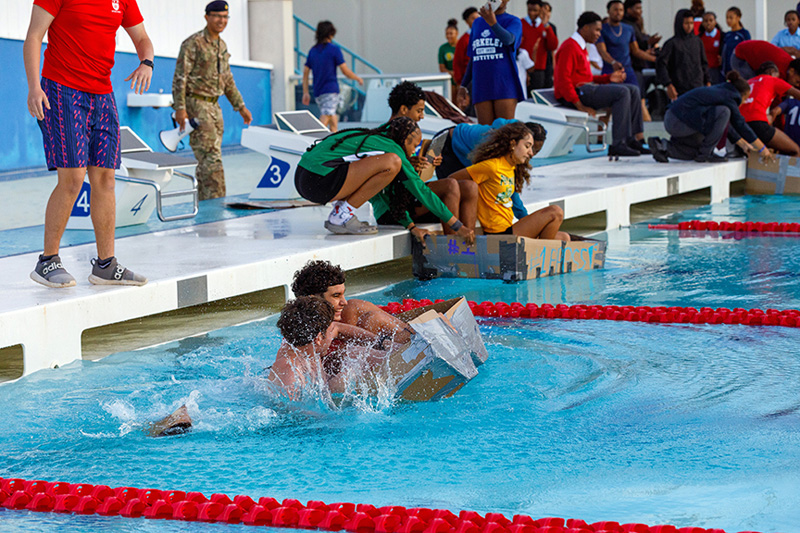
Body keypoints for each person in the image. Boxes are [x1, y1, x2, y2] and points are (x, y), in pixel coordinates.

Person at [24, 0, 153, 288]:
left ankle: (106, 265)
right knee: (72, 179)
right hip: (62, 89)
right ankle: (48, 261)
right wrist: (34, 87)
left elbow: (142, 38)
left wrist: (147, 62)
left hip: (102, 94)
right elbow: (33, 36)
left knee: (106, 178)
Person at [297, 117, 475, 243]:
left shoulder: (374, 139)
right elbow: (421, 190)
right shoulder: (392, 150)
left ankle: (342, 212)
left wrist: (411, 227)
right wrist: (457, 226)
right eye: (414, 146)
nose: (414, 151)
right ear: (405, 139)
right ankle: (341, 216)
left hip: (305, 177)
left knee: (392, 163)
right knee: (393, 162)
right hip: (317, 180)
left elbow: (375, 190)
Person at [172, 2, 252, 202]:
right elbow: (180, 77)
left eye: (225, 17)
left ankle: (207, 202)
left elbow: (227, 80)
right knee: (211, 158)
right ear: (206, 17)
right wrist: (180, 108)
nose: (221, 21)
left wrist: (240, 106)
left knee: (210, 159)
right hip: (197, 105)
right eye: (217, 16)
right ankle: (216, 204)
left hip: (215, 107)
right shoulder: (193, 43)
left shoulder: (221, 46)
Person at [448, 122, 568, 241]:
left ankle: (538, 250)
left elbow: (515, 201)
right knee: (555, 212)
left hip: (509, 228)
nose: (531, 153)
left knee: (564, 237)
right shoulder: (491, 166)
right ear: (513, 144)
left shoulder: (511, 168)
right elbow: (451, 181)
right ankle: (539, 252)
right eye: (527, 146)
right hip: (497, 234)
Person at [553, 11, 646, 158]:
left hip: (584, 90)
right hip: (576, 95)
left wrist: (608, 78)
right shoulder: (570, 46)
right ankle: (618, 144)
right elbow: (562, 80)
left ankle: (632, 139)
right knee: (622, 92)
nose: (598, 34)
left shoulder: (581, 47)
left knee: (633, 89)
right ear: (585, 28)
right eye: (596, 30)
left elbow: (586, 78)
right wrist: (580, 105)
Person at [268, 296, 388, 400]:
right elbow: (294, 414)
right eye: (330, 334)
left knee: (354, 355)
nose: (333, 335)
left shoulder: (304, 345)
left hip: (321, 394)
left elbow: (337, 328)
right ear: (319, 338)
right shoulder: (290, 372)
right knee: (346, 376)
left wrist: (381, 342)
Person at [647, 71, 772, 163]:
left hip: (674, 119)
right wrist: (762, 148)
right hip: (678, 121)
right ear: (741, 94)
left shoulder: (722, 91)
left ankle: (661, 146)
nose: (743, 103)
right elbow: (740, 124)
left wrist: (743, 144)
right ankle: (706, 153)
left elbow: (725, 124)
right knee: (724, 112)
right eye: (745, 99)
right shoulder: (730, 96)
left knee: (696, 152)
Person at [436, 119, 546, 219]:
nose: (532, 154)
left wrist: (525, 218)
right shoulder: (496, 147)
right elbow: (508, 186)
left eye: (536, 151)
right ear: (516, 142)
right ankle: (451, 232)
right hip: (448, 144)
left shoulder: (516, 149)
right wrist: (525, 218)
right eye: (528, 147)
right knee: (453, 195)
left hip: (468, 152)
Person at [291, 260, 413, 346]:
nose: (344, 302)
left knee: (361, 311)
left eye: (343, 294)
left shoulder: (348, 312)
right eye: (336, 296)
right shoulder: (298, 331)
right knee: (370, 319)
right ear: (314, 299)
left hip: (391, 337)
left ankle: (411, 337)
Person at [458, 0, 525, 124]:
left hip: (504, 84)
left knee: (504, 130)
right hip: (481, 84)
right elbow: (474, 57)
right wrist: (464, 85)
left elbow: (509, 40)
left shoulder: (513, 21)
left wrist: (493, 23)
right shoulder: (477, 23)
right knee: (486, 131)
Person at [302, 21, 364, 133]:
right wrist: (357, 78)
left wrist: (305, 92)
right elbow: (345, 71)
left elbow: (306, 72)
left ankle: (334, 136)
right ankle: (313, 137)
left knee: (333, 119)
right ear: (331, 34)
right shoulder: (334, 49)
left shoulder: (313, 51)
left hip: (318, 91)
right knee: (327, 115)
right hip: (330, 90)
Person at [739, 61, 800, 156]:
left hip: (739, 125)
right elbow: (797, 94)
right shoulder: (773, 80)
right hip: (757, 123)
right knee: (795, 150)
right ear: (772, 72)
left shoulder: (748, 82)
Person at [596, 0, 656, 89]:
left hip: (628, 71)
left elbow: (636, 51)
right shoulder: (602, 29)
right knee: (615, 94)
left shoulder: (628, 29)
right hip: (610, 71)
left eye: (621, 10)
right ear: (608, 11)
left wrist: (655, 59)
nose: (618, 13)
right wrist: (613, 62)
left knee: (635, 93)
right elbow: (602, 51)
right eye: (615, 10)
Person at [656, 9, 709, 102]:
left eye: (691, 23)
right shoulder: (671, 44)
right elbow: (661, 64)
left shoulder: (698, 42)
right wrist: (668, 84)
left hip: (698, 87)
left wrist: (708, 81)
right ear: (680, 24)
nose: (689, 26)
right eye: (686, 23)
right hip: (679, 89)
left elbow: (704, 63)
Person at [622, 0, 661, 120]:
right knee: (639, 102)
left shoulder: (633, 25)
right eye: (638, 8)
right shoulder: (627, 27)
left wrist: (648, 46)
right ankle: (645, 127)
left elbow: (637, 48)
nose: (640, 11)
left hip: (636, 67)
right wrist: (655, 59)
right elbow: (635, 51)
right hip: (632, 68)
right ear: (629, 10)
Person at [522, 0, 559, 93]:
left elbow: (552, 46)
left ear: (540, 10)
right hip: (523, 67)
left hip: (539, 68)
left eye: (535, 10)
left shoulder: (546, 26)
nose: (531, 13)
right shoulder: (521, 23)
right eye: (529, 10)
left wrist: (546, 25)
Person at [721, 7, 750, 75]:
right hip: (726, 71)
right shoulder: (727, 35)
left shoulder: (744, 34)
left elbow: (747, 52)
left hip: (739, 71)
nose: (728, 20)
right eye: (727, 18)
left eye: (731, 18)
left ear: (738, 18)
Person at [700, 12, 724, 84]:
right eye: (706, 21)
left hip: (718, 71)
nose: (708, 23)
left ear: (715, 22)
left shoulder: (722, 36)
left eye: (711, 20)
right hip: (704, 71)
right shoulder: (699, 38)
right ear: (702, 23)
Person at [439, 19, 460, 100]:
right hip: (450, 81)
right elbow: (442, 67)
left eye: (451, 33)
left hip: (461, 80)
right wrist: (451, 73)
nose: (449, 36)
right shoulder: (443, 48)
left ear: (457, 33)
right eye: (447, 34)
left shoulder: (462, 46)